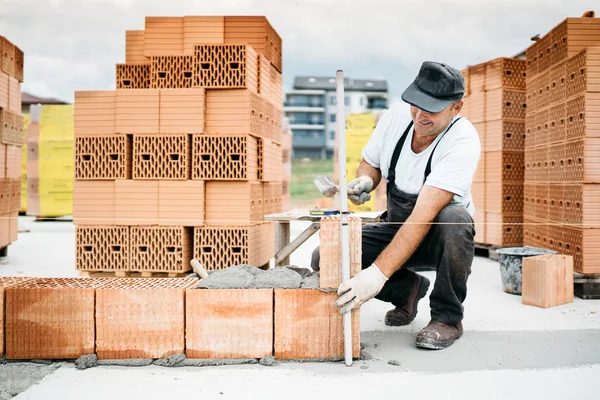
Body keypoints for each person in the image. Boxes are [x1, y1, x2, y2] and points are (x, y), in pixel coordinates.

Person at [311, 61, 481, 350]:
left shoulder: (462, 142)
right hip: (397, 225)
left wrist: (375, 276)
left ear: (457, 107)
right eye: (416, 104)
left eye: (432, 108)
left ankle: (447, 318)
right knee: (325, 256)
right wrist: (365, 180)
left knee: (456, 219)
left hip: (437, 239)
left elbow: (423, 216)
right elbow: (371, 163)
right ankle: (408, 291)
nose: (421, 115)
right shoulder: (396, 119)